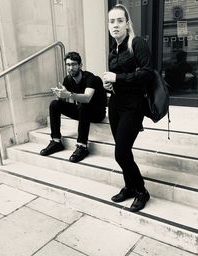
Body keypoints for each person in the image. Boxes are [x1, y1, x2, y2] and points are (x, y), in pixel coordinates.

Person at [103, 4, 153, 212]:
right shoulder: (113, 49)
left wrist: (118, 77)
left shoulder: (136, 43)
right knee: (123, 150)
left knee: (121, 152)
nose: (115, 25)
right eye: (111, 21)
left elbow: (147, 73)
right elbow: (116, 80)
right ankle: (130, 187)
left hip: (133, 106)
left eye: (119, 21)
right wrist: (109, 84)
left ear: (127, 23)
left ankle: (142, 190)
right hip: (114, 104)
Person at [40, 51, 107, 163]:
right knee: (54, 104)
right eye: (68, 65)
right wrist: (60, 95)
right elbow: (63, 100)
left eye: (74, 64)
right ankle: (56, 141)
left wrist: (69, 94)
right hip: (82, 112)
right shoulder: (68, 79)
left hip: (97, 113)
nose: (70, 68)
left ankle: (82, 146)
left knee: (84, 105)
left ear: (80, 66)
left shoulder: (91, 78)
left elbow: (87, 98)